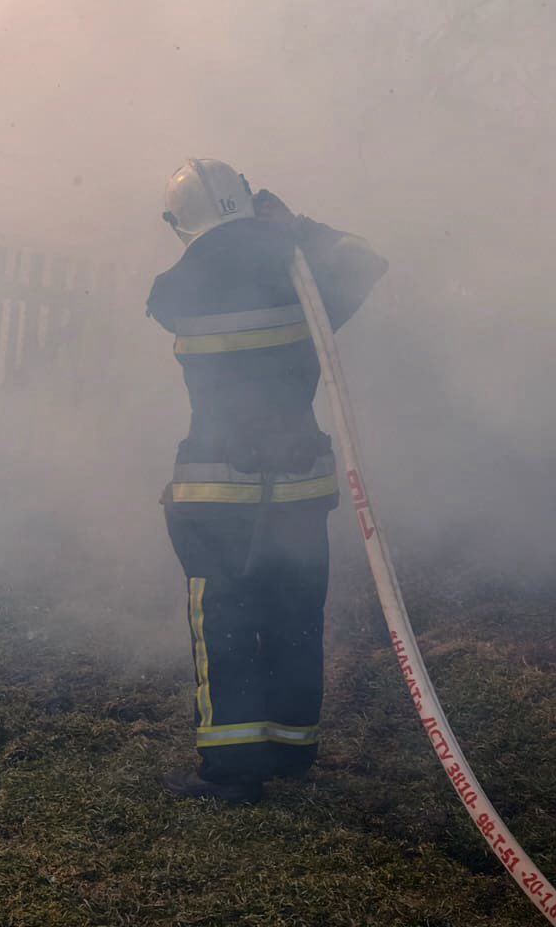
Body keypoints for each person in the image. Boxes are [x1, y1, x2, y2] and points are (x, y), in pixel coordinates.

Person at [147, 158, 387, 804]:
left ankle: (231, 769)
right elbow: (366, 258)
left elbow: (163, 301)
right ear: (248, 200)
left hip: (216, 489)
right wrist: (295, 228)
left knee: (224, 619)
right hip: (299, 485)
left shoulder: (179, 287)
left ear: (179, 222)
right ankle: (290, 750)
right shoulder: (300, 275)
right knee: (295, 615)